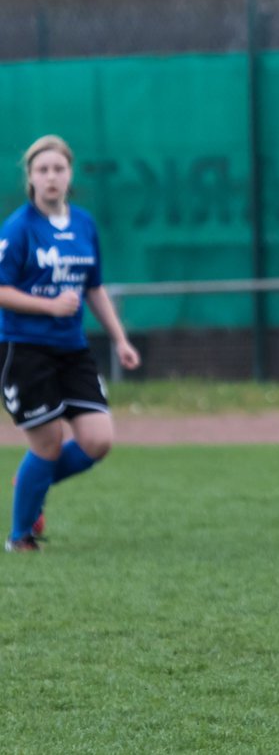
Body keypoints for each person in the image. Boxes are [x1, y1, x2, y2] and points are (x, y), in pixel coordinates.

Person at [1, 135, 140, 552]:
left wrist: (120, 339)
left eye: (58, 169)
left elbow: (93, 288)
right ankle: (20, 537)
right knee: (47, 442)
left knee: (98, 441)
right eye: (42, 170)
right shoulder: (19, 228)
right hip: (24, 349)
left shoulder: (83, 224)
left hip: (72, 349)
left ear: (69, 174)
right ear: (30, 178)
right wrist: (47, 306)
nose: (51, 177)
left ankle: (30, 480)